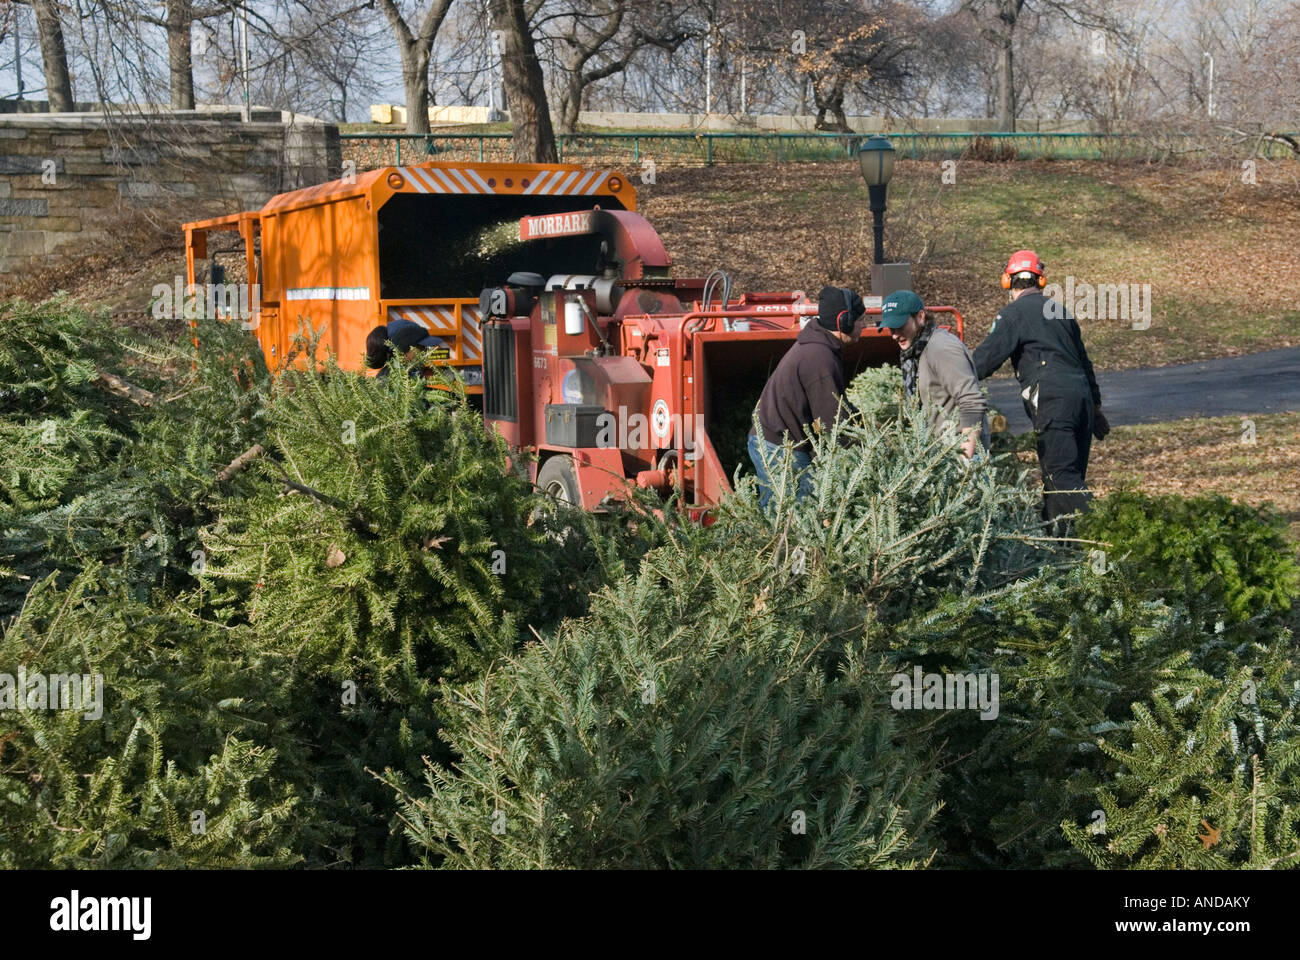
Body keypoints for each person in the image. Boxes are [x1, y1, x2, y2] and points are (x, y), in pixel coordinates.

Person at [971, 250, 1109, 534]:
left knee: (1061, 478)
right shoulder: (1060, 311)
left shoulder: (1012, 315)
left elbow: (984, 360)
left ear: (1008, 282)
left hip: (1052, 400)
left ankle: (1108, 534)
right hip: (1082, 400)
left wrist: (955, 377)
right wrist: (1095, 409)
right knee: (1063, 480)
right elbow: (1084, 362)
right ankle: (1059, 546)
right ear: (1040, 280)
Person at [748, 285, 863, 509]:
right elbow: (833, 421)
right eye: (860, 320)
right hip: (780, 448)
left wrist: (862, 422)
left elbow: (837, 403)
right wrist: (865, 449)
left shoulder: (820, 347)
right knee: (794, 518)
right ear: (844, 321)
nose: (864, 326)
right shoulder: (820, 358)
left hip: (781, 441)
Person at [876, 289, 989, 460]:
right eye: (891, 328)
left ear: (920, 317)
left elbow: (971, 400)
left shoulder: (941, 348)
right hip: (939, 453)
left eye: (900, 326)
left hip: (957, 452)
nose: (894, 335)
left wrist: (966, 458)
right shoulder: (917, 350)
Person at [364, 319, 450, 379]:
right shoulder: (391, 386)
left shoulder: (411, 376)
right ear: (403, 352)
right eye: (421, 347)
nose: (426, 351)